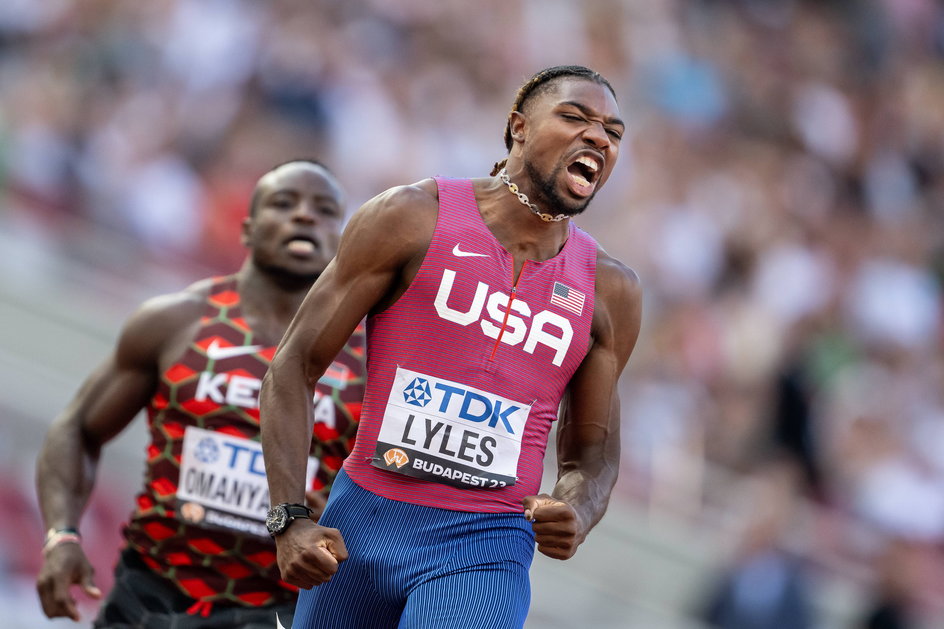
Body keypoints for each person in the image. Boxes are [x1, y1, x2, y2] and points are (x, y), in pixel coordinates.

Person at [260, 64, 642, 629]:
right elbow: (293, 367)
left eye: (612, 132)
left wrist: (579, 506)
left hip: (485, 545)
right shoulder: (411, 218)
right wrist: (289, 518)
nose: (598, 138)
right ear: (518, 127)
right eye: (575, 118)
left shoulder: (609, 288)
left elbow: (594, 453)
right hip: (361, 523)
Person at [35, 159, 366, 628]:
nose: (305, 216)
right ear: (247, 229)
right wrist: (61, 536)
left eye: (325, 209)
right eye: (284, 203)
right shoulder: (175, 322)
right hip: (152, 594)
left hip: (282, 607)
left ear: (343, 240)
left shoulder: (372, 355)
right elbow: (75, 429)